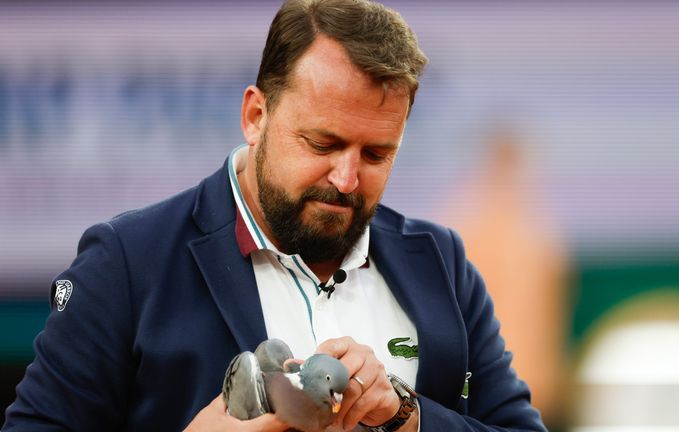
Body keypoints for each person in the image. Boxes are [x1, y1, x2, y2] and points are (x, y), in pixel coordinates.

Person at [3, 0, 546, 431]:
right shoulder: (126, 264)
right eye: (322, 143)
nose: (347, 179)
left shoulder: (439, 262)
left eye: (377, 154)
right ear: (255, 115)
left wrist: (408, 416)